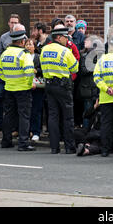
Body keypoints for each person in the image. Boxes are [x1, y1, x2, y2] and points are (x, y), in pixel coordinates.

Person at [40, 26, 79, 154]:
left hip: (49, 85)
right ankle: (69, 147)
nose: (66, 39)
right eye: (65, 37)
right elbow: (75, 68)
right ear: (58, 37)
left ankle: (54, 147)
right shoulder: (65, 51)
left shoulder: (44, 50)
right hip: (63, 86)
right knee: (68, 117)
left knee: (53, 116)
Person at [0, 29, 36, 151]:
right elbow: (29, 72)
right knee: (24, 116)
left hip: (9, 88)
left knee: (8, 115)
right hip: (23, 89)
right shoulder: (24, 54)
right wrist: (29, 84)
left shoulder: (5, 53)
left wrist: (8, 80)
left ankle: (6, 141)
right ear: (22, 41)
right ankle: (23, 143)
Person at [78, 35, 102, 130]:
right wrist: (95, 67)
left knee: (97, 113)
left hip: (97, 88)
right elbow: (83, 70)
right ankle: (85, 134)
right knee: (88, 113)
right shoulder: (84, 56)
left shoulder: (100, 56)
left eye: (87, 41)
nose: (84, 42)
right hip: (87, 89)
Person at [25, 38, 44, 142]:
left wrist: (37, 70)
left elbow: (44, 69)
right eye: (26, 44)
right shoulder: (22, 57)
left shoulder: (39, 58)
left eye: (30, 44)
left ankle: (36, 132)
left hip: (37, 87)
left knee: (36, 110)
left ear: (34, 47)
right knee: (26, 111)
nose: (28, 46)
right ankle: (26, 131)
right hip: (25, 86)